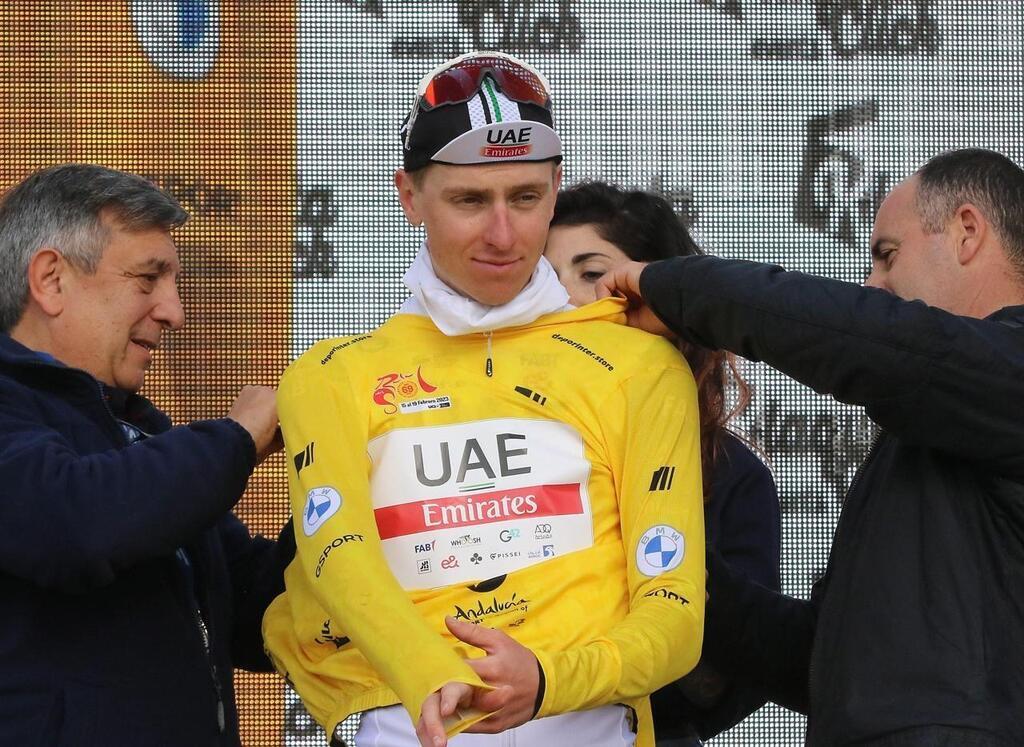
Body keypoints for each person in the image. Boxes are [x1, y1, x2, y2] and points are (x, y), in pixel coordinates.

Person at [262, 52, 706, 747]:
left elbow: (675, 614)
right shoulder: (331, 373)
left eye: (525, 198)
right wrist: (430, 671)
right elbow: (339, 555)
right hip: (410, 724)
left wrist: (550, 677)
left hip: (588, 720)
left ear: (555, 189)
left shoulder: (639, 366)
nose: (503, 234)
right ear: (409, 197)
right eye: (470, 201)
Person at [597, 148, 1024, 746]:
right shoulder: (930, 431)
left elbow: (877, 341)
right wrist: (660, 555)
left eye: (887, 254)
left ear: (967, 233)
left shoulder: (1005, 373)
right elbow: (821, 664)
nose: (873, 284)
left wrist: (676, 287)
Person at [0, 163, 291, 747]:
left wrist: (357, 504)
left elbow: (249, 605)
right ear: (51, 280)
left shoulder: (137, 429)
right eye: (148, 279)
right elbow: (76, 524)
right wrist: (237, 437)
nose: (174, 312)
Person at [545, 181, 781, 744]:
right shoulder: (472, 436)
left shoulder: (732, 476)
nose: (566, 301)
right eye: (543, 279)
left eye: (592, 273)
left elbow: (742, 677)